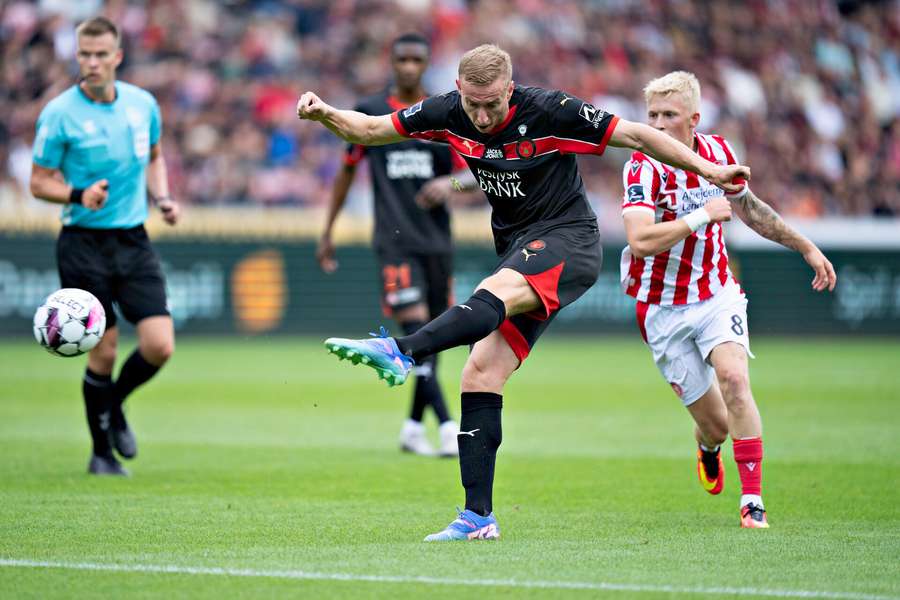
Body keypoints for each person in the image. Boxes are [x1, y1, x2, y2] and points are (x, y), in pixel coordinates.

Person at [296, 45, 749, 541]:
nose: (483, 116)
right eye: (474, 105)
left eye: (493, 104)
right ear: (461, 93)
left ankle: (402, 351)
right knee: (480, 371)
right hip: (519, 248)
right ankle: (477, 518)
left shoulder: (552, 109)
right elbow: (368, 129)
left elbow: (637, 135)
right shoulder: (447, 110)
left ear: (510, 89)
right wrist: (324, 112)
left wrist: (709, 172)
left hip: (568, 242)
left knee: (495, 289)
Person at [620, 71, 837, 528]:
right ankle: (708, 446)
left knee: (736, 381)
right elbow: (640, 241)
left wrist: (806, 246)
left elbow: (752, 211)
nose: (657, 125)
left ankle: (752, 502)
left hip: (716, 293)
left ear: (694, 119)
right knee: (716, 424)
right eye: (652, 115)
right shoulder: (641, 166)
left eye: (669, 115)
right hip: (661, 307)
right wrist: (701, 215)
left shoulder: (719, 154)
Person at [29, 16, 179, 476]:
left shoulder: (142, 104)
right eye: (83, 55)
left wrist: (164, 198)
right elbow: (37, 182)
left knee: (159, 346)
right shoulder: (59, 113)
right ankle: (101, 455)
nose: (91, 63)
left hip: (133, 238)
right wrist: (77, 195)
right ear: (77, 56)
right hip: (82, 242)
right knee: (105, 349)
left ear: (117, 57)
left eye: (100, 55)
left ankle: (112, 405)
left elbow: (155, 158)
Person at [317, 33, 467, 458]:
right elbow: (346, 173)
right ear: (391, 61)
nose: (407, 66)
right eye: (401, 58)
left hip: (437, 244)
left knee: (431, 340)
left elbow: (474, 174)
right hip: (394, 243)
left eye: (416, 59)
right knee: (415, 331)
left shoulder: (443, 114)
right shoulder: (369, 113)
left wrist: (449, 182)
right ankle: (449, 426)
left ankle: (411, 428)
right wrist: (327, 230)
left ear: (425, 63)